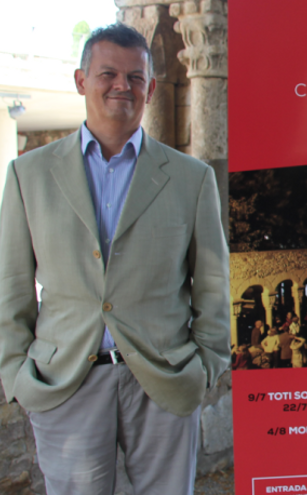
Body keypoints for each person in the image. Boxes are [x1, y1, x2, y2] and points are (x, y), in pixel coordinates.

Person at [0, 23, 229, 494]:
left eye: (136, 77)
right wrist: (16, 375)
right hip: (66, 384)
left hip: (163, 381)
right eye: (108, 73)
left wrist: (205, 366)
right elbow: (12, 286)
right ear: (81, 80)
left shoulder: (191, 178)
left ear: (148, 86)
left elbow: (212, 284)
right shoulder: (29, 175)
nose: (123, 85)